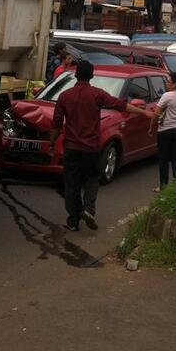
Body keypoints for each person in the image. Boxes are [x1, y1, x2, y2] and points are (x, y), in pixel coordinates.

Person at [49, 59, 154, 231]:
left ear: (76, 75)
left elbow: (56, 123)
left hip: (71, 147)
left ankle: (73, 220)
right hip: (90, 147)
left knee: (71, 183)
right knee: (91, 178)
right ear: (91, 76)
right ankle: (88, 209)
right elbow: (121, 105)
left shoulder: (64, 96)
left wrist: (52, 143)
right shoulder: (97, 94)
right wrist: (144, 112)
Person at [149, 71, 176, 192]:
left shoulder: (166, 96)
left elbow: (157, 114)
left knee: (163, 158)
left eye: (168, 81)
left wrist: (151, 128)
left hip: (165, 130)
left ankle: (163, 186)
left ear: (174, 84)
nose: (166, 84)